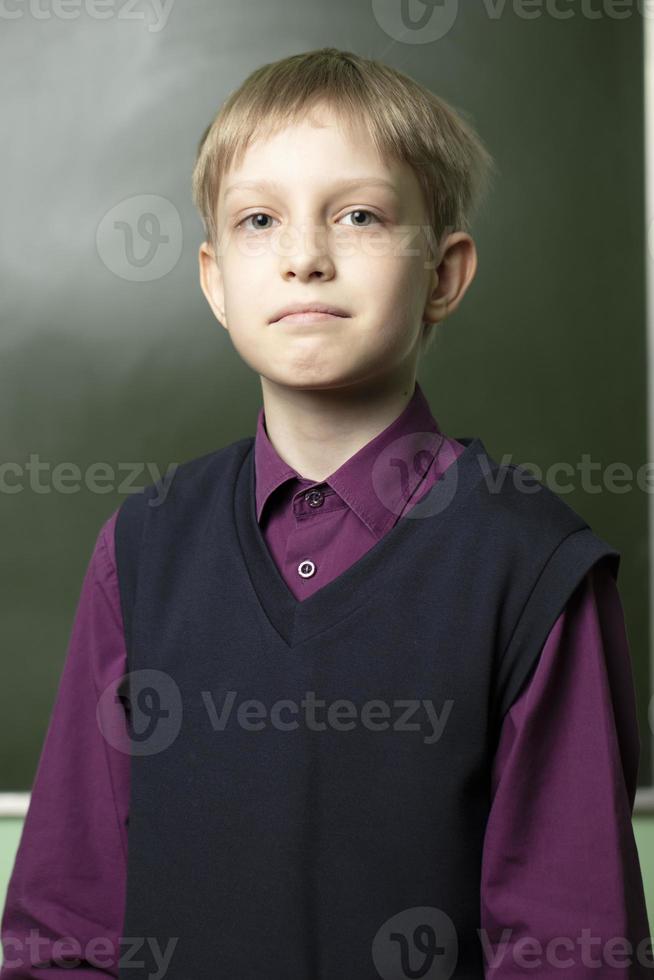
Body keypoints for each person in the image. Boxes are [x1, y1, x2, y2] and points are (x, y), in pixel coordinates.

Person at [1, 47, 651, 980]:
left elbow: (573, 954)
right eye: (260, 220)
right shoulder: (140, 551)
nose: (305, 257)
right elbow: (63, 934)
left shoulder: (534, 570)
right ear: (216, 280)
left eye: (359, 215)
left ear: (444, 274)